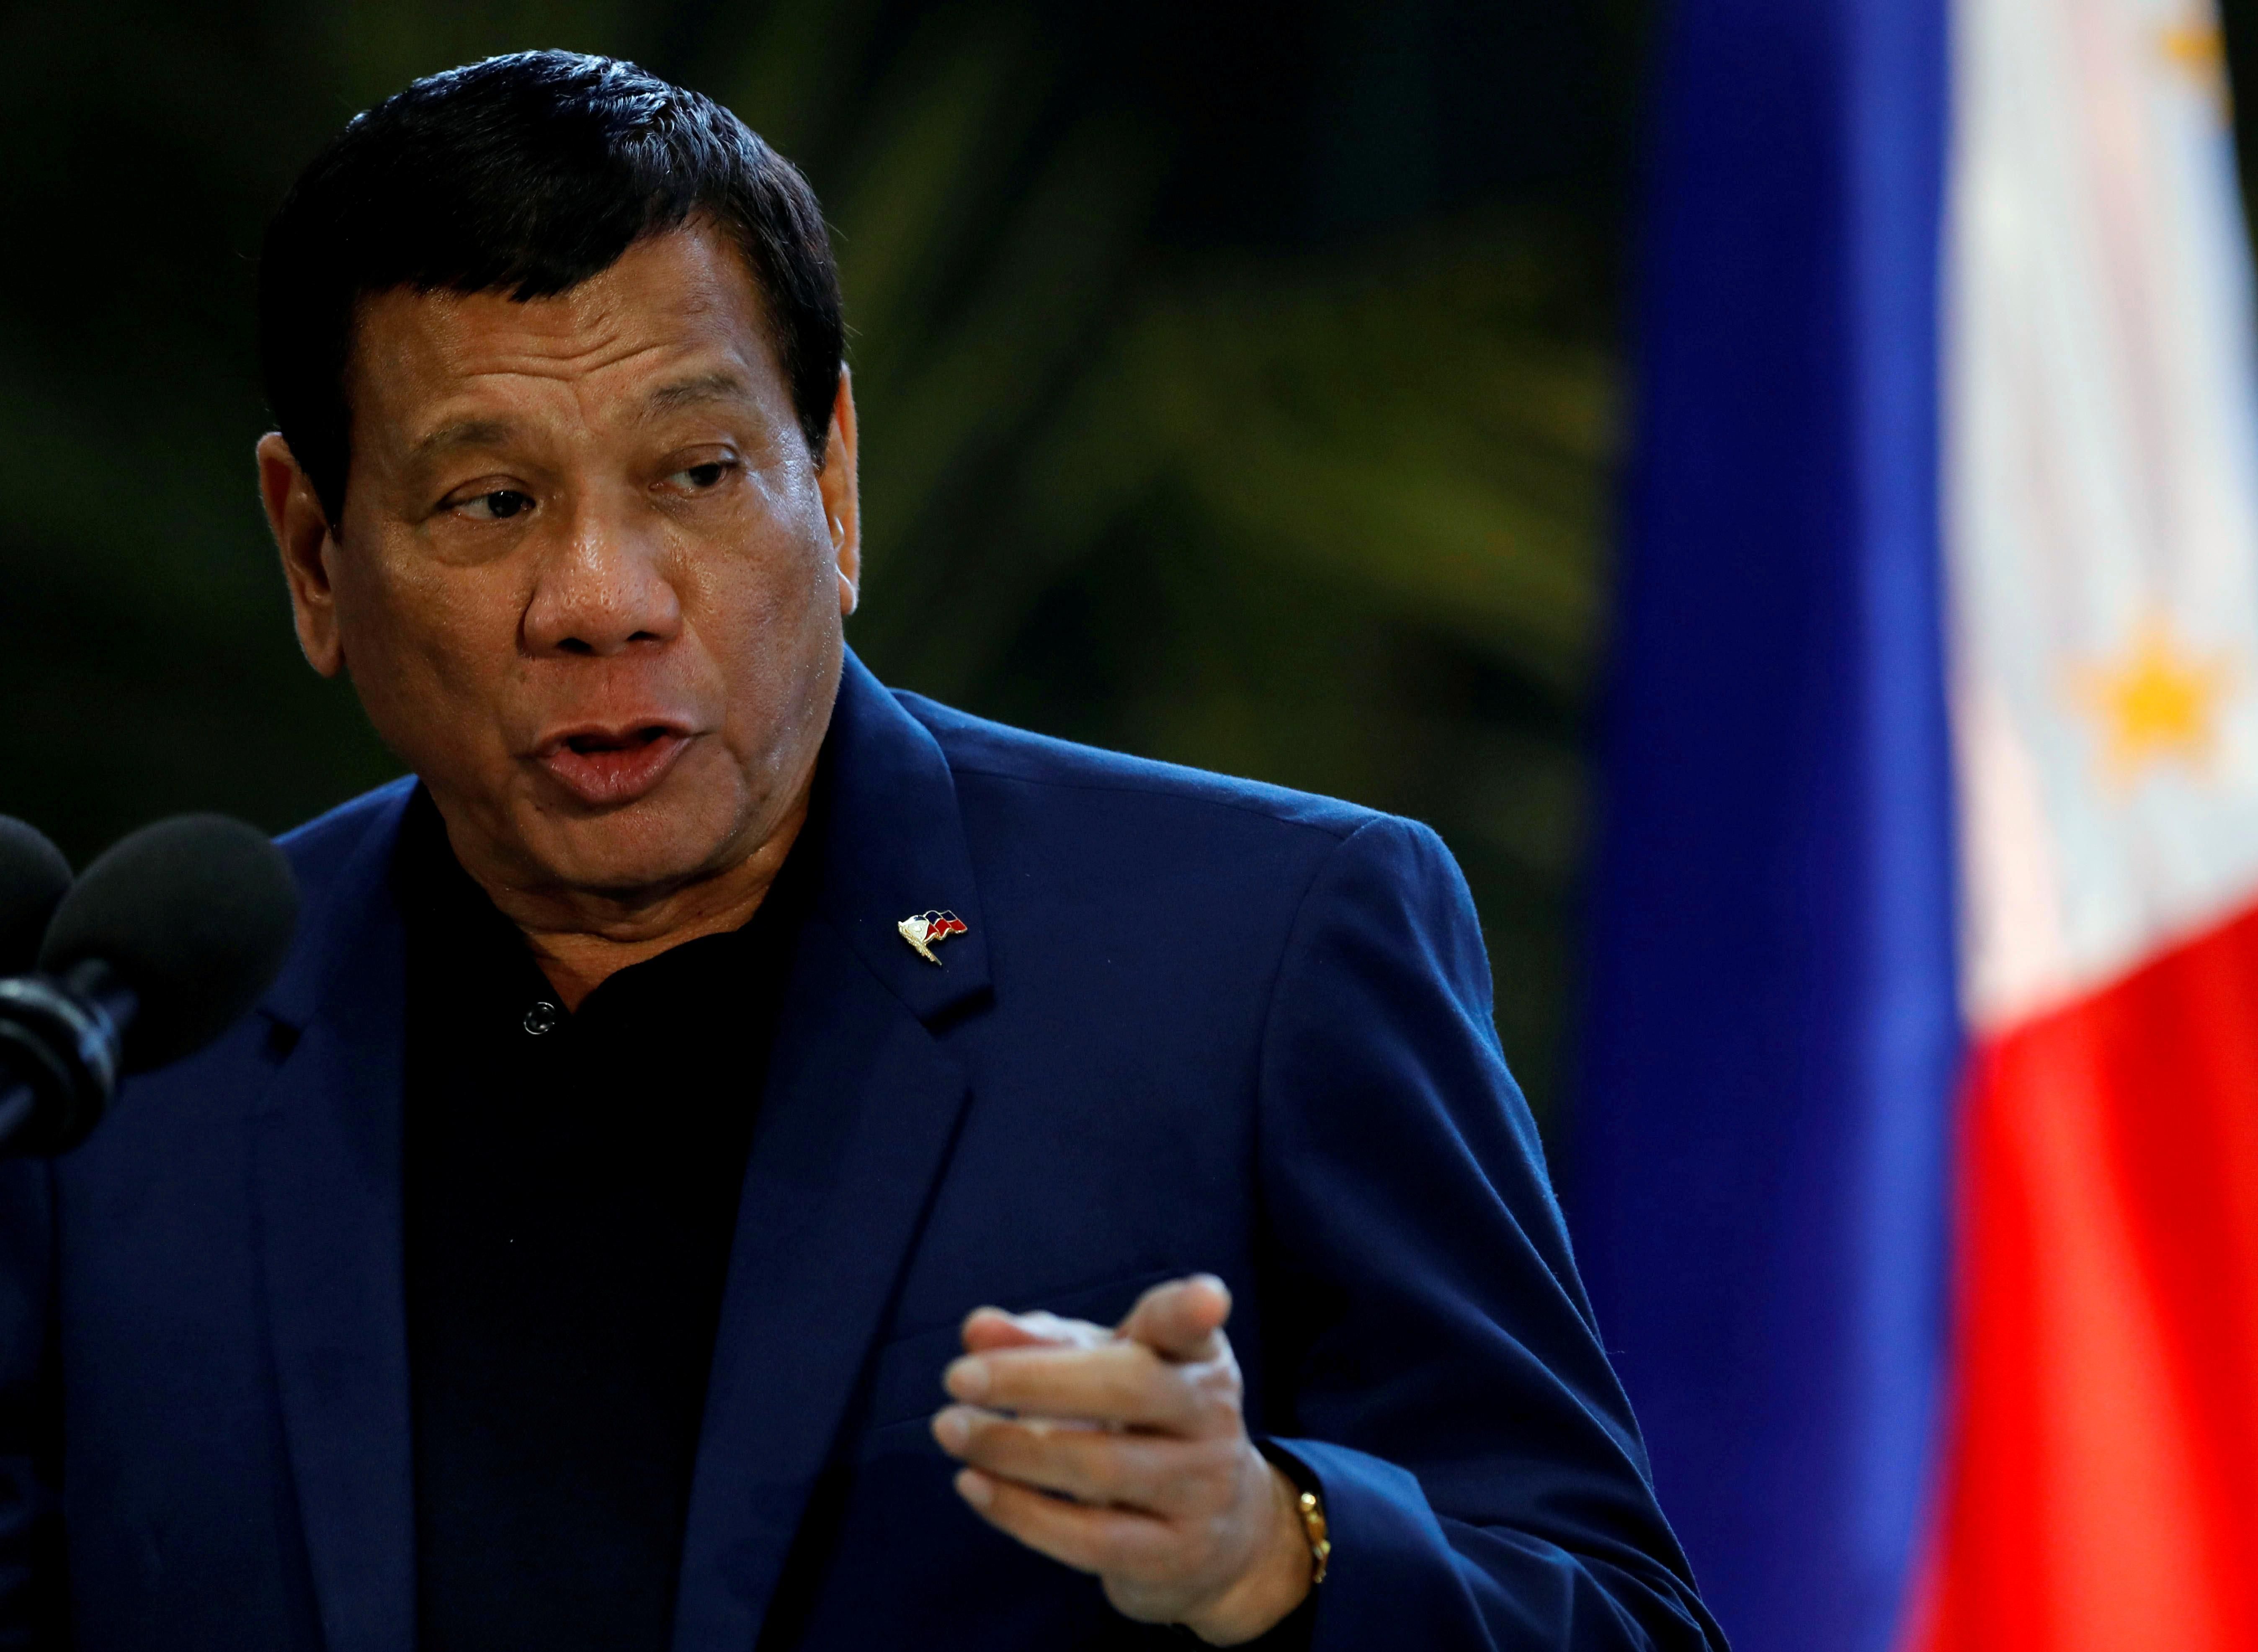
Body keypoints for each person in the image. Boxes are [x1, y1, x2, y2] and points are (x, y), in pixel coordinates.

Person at [0, 51, 1725, 1652]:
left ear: (829, 487)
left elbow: (1621, 1614)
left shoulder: (1259, 951)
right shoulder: (127, 1055)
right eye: (491, 502)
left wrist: (1273, 1547)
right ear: (313, 553)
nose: (604, 599)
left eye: (695, 471)